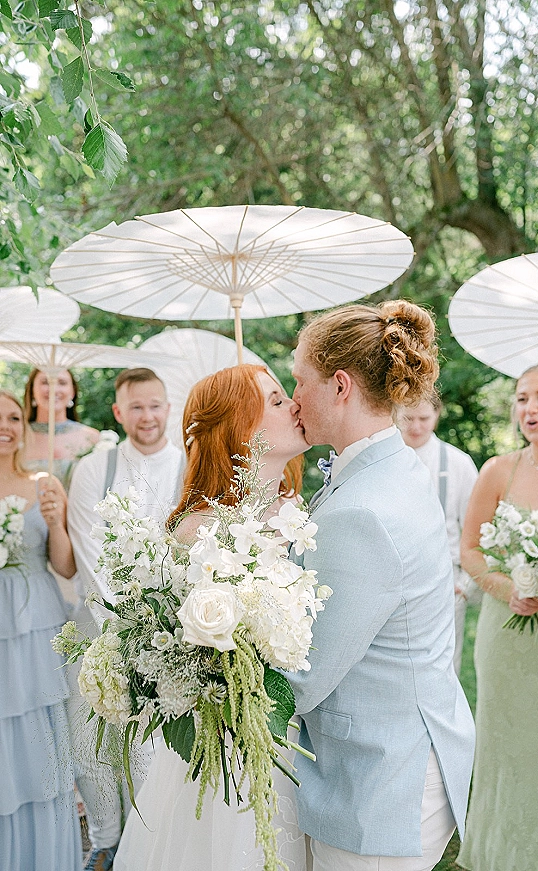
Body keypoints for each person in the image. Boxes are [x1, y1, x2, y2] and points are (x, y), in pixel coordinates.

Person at [288, 300, 475, 871]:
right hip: (400, 755)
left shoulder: (365, 511)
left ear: (339, 385)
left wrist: (196, 670)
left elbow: (305, 672)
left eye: (299, 381)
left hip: (381, 785)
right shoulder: (392, 466)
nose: (292, 398)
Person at [113, 363, 308, 871]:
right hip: (222, 735)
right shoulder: (196, 530)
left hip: (294, 728)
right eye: (275, 399)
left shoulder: (300, 509)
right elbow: (170, 644)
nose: (294, 405)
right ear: (242, 427)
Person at [457, 362, 538, 871]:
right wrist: (507, 589)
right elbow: (469, 550)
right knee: (509, 743)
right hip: (509, 634)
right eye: (522, 398)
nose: (530, 408)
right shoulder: (498, 471)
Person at [67, 368, 184, 871]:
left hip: (168, 634)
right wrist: (123, 623)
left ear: (167, 407)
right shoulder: (97, 468)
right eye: (136, 407)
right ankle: (105, 840)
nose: (148, 416)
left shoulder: (188, 465)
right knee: (89, 744)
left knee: (147, 748)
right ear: (119, 412)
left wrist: (159, 625)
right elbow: (89, 549)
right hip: (99, 628)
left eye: (155, 405)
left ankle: (146, 846)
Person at [0, 390, 82, 870]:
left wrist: (56, 524)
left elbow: (67, 568)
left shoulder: (45, 483)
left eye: (13, 416)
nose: (6, 424)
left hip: (36, 628)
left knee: (38, 741)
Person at [398, 393, 479, 674]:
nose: (416, 427)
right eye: (408, 419)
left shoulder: (458, 463)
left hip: (447, 581)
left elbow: (477, 526)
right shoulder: (385, 459)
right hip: (396, 578)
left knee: (445, 663)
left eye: (424, 419)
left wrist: (466, 584)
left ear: (437, 415)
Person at [23, 367, 101, 489]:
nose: (53, 389)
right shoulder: (18, 437)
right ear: (32, 390)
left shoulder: (92, 438)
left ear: (73, 392)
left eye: (62, 383)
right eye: (45, 382)